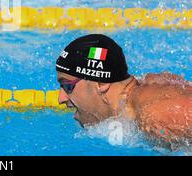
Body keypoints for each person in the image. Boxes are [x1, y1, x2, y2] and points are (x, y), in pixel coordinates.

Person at [55, 34, 191, 149]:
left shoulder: (154, 115)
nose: (61, 98)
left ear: (101, 83)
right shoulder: (143, 90)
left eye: (67, 86)